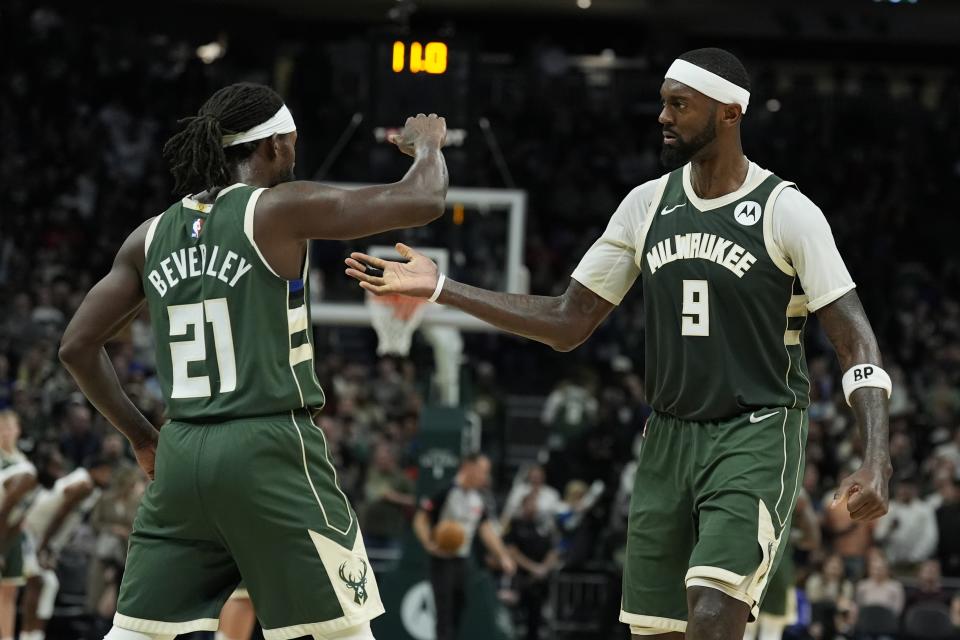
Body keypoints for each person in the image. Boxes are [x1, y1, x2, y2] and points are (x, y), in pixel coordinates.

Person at [346, 47, 892, 640]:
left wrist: (876, 453)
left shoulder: (787, 212)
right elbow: (566, 320)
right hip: (667, 438)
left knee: (712, 614)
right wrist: (442, 287)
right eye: (663, 103)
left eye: (679, 105)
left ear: (730, 113)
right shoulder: (646, 205)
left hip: (754, 432)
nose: (663, 116)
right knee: (656, 630)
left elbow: (853, 339)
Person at [57, 82, 449, 640]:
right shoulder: (277, 210)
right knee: (342, 629)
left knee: (138, 633)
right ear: (273, 147)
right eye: (291, 141)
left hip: (183, 452)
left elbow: (76, 346)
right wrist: (430, 145)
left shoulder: (149, 235)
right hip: (269, 444)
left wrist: (144, 438)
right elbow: (423, 200)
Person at [412, 453, 516, 640]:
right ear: (468, 467)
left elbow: (486, 530)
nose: (486, 477)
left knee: (460, 608)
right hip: (442, 559)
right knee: (444, 611)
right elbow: (421, 518)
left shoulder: (478, 498)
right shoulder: (446, 490)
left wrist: (503, 556)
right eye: (483, 471)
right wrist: (428, 542)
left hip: (463, 559)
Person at [20, 451, 113, 640]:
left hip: (44, 536)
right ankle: (26, 634)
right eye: (106, 472)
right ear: (96, 470)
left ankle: (35, 634)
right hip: (33, 531)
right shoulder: (84, 485)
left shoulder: (89, 486)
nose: (108, 477)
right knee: (36, 582)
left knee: (49, 584)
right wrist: (44, 546)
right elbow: (60, 514)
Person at [743, 490, 820, 640]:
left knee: (746, 631)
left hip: (751, 568)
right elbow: (812, 539)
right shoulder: (796, 492)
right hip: (774, 570)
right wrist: (792, 537)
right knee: (770, 633)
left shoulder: (748, 482)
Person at [0, 411, 39, 640]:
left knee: (10, 591)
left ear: (18, 430)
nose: (6, 431)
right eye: (2, 427)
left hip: (15, 532)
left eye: (10, 426)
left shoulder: (24, 461)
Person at [504, 491, 560, 640]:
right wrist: (533, 568)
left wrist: (543, 568)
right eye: (530, 503)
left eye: (535, 503)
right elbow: (512, 551)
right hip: (520, 579)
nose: (533, 506)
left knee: (535, 620)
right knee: (515, 619)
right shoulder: (515, 524)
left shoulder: (543, 525)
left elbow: (553, 550)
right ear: (523, 505)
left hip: (539, 581)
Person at [874, 476, 938, 571]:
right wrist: (889, 529)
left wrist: (914, 557)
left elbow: (930, 537)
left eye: (908, 488)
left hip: (917, 562)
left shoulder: (924, 509)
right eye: (902, 488)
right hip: (892, 562)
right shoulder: (889, 508)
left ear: (915, 490)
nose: (904, 491)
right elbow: (878, 535)